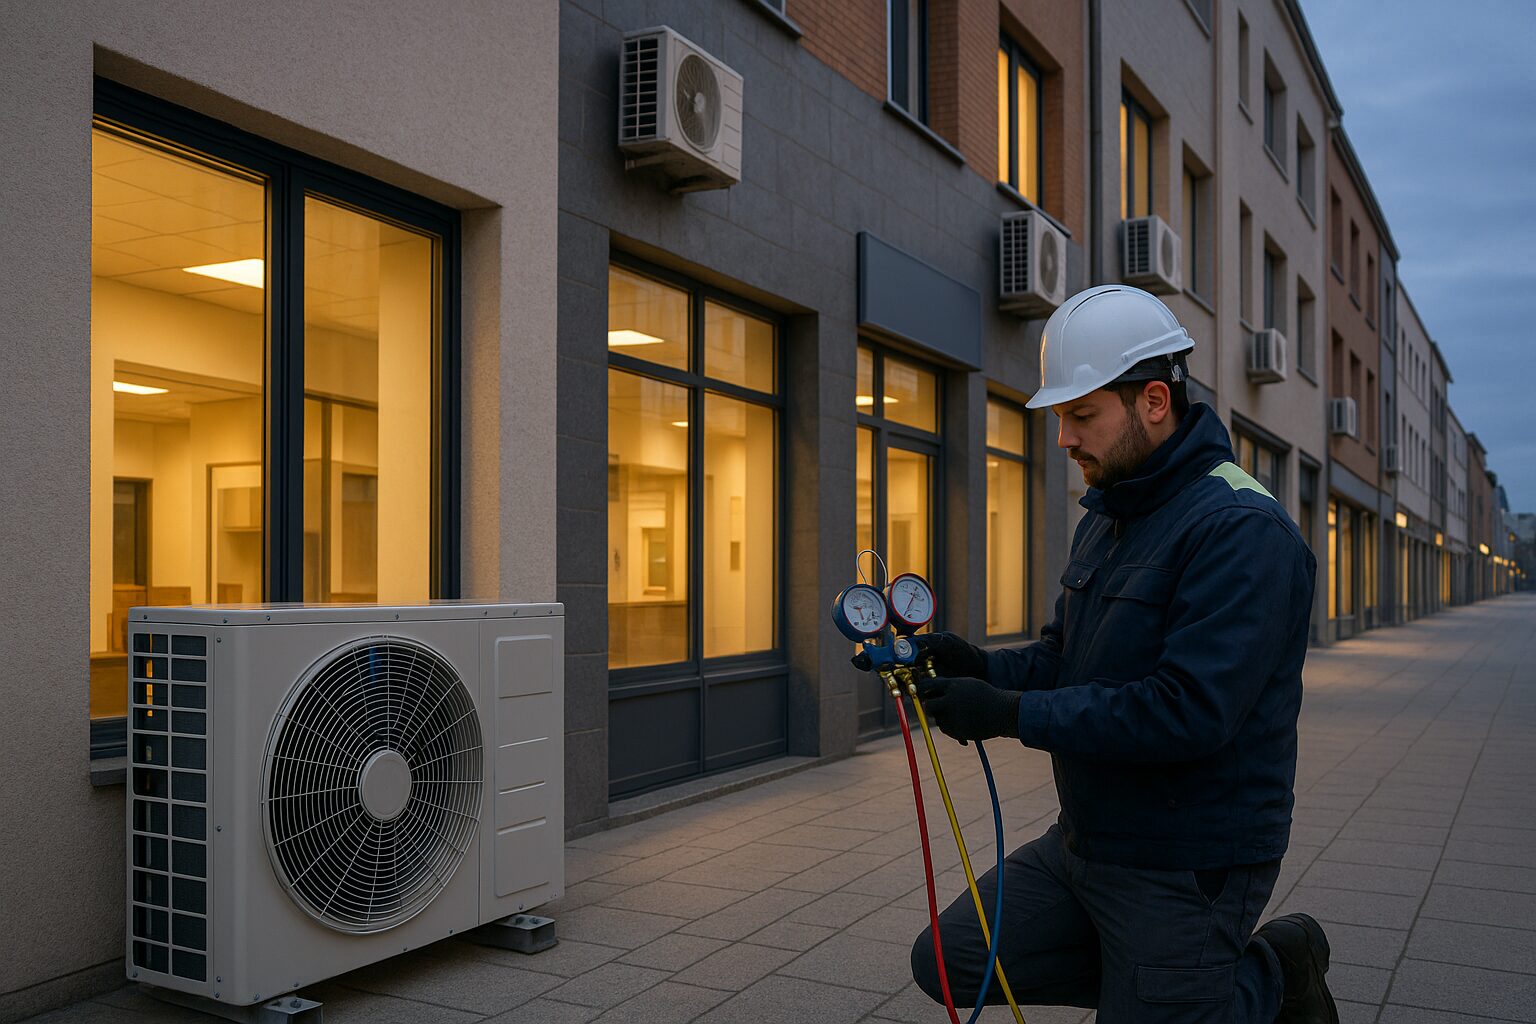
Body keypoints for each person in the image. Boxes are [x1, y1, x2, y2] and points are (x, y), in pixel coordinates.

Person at [900, 285, 1335, 1023]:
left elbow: (1188, 711)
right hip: (1087, 837)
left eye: (1080, 415)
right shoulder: (1112, 514)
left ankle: (1260, 978)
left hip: (1185, 859)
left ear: (1154, 401)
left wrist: (1008, 714)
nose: (1064, 438)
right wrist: (974, 664)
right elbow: (1065, 658)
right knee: (953, 958)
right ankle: (1184, 988)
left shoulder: (1240, 530)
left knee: (1160, 1000)